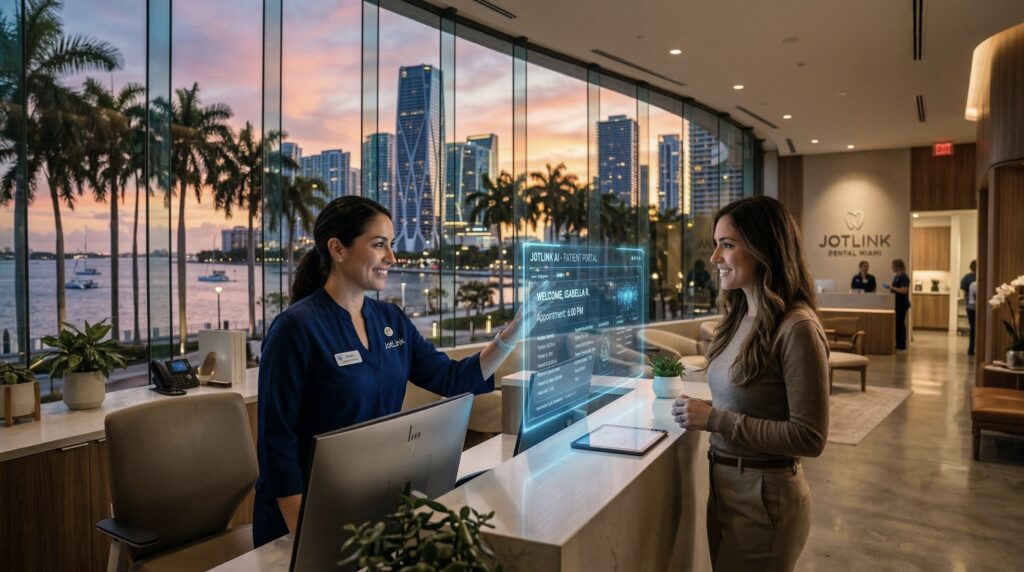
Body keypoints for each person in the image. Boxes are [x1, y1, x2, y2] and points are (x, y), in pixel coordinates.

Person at [253, 196, 532, 547]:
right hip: (304, 518)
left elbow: (452, 378)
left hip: (368, 506)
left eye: (392, 245)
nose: (392, 258)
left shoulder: (392, 321)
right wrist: (307, 538)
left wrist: (510, 336)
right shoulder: (296, 328)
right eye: (379, 245)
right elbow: (277, 444)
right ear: (337, 249)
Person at [671, 196, 829, 571]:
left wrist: (714, 420)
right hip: (725, 485)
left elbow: (810, 437)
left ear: (765, 249)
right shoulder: (739, 316)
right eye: (716, 244)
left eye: (727, 244)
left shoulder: (797, 328)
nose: (714, 258)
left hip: (764, 495)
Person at [884, 259, 911, 350]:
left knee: (900, 323)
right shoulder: (896, 276)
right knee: (897, 324)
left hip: (902, 304)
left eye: (893, 266)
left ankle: (902, 344)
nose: (892, 268)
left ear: (898, 266)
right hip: (896, 303)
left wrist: (892, 287)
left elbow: (903, 290)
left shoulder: (904, 277)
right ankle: (897, 343)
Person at [962, 260, 977, 356]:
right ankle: (975, 348)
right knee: (976, 328)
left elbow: (964, 293)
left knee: (972, 328)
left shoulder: (966, 278)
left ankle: (971, 349)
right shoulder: (981, 276)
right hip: (974, 306)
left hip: (970, 306)